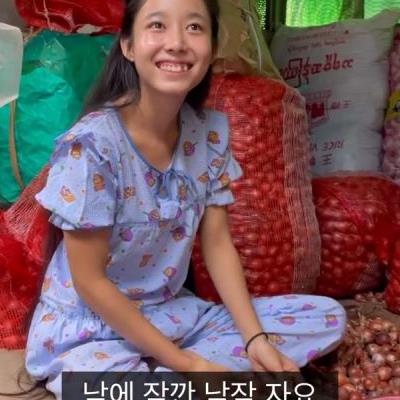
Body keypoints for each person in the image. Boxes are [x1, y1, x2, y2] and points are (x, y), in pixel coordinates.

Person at [24, 0, 346, 398]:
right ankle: (181, 372)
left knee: (325, 316)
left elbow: (217, 244)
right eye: (157, 26)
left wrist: (254, 340)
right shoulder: (92, 146)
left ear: (211, 48)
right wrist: (189, 364)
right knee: (121, 379)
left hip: (169, 314)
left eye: (194, 27)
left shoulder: (207, 136)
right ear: (128, 45)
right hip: (90, 330)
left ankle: (176, 373)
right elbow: (90, 283)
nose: (177, 43)